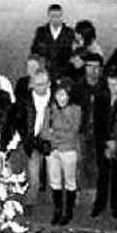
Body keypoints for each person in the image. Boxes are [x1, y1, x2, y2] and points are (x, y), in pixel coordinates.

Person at [9, 69, 52, 212]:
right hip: (32, 140)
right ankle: (29, 203)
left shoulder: (54, 99)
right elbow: (19, 122)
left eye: (44, 84)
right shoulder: (25, 101)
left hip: (51, 139)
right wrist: (27, 139)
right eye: (38, 84)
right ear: (32, 85)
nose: (42, 88)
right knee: (33, 175)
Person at [42, 81, 81, 225]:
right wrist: (55, 137)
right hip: (53, 150)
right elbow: (45, 130)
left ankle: (69, 211)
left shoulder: (75, 110)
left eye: (64, 95)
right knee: (55, 181)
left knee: (70, 181)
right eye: (58, 94)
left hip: (68, 150)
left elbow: (73, 131)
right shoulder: (50, 110)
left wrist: (56, 135)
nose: (61, 98)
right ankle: (57, 210)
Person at [73, 52, 108, 195]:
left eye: (97, 67)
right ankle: (80, 191)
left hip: (100, 131)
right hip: (82, 130)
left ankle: (95, 191)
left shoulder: (105, 87)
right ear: (85, 67)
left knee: (97, 162)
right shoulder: (78, 87)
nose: (93, 70)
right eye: (90, 66)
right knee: (81, 161)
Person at [30, 4, 75, 82]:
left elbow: (72, 52)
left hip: (64, 73)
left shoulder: (69, 32)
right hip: (45, 72)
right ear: (48, 16)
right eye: (53, 16)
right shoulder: (41, 32)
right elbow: (34, 51)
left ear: (61, 16)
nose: (55, 19)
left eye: (58, 16)